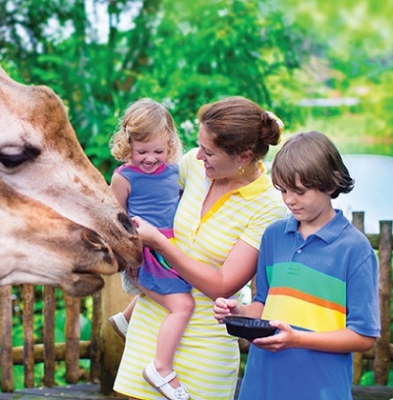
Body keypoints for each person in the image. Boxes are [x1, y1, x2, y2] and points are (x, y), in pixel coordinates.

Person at [113, 96, 287, 400]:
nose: (198, 156)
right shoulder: (194, 166)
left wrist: (159, 243)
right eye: (200, 146)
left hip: (207, 340)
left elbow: (222, 285)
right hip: (151, 326)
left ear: (244, 157)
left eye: (209, 152)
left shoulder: (267, 205)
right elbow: (151, 194)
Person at [213, 131, 380, 399]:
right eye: (283, 190)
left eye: (299, 191)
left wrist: (297, 339)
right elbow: (264, 304)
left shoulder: (355, 249)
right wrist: (240, 311)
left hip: (320, 390)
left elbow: (364, 336)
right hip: (261, 386)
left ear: (330, 184)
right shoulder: (273, 236)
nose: (289, 200)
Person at [107, 98, 194, 400]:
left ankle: (125, 319)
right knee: (182, 306)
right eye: (142, 152)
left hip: (168, 247)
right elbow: (115, 221)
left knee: (175, 290)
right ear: (127, 144)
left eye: (158, 151)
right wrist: (129, 260)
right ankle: (161, 368)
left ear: (169, 144)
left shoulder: (173, 171)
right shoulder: (123, 177)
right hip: (146, 252)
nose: (150, 159)